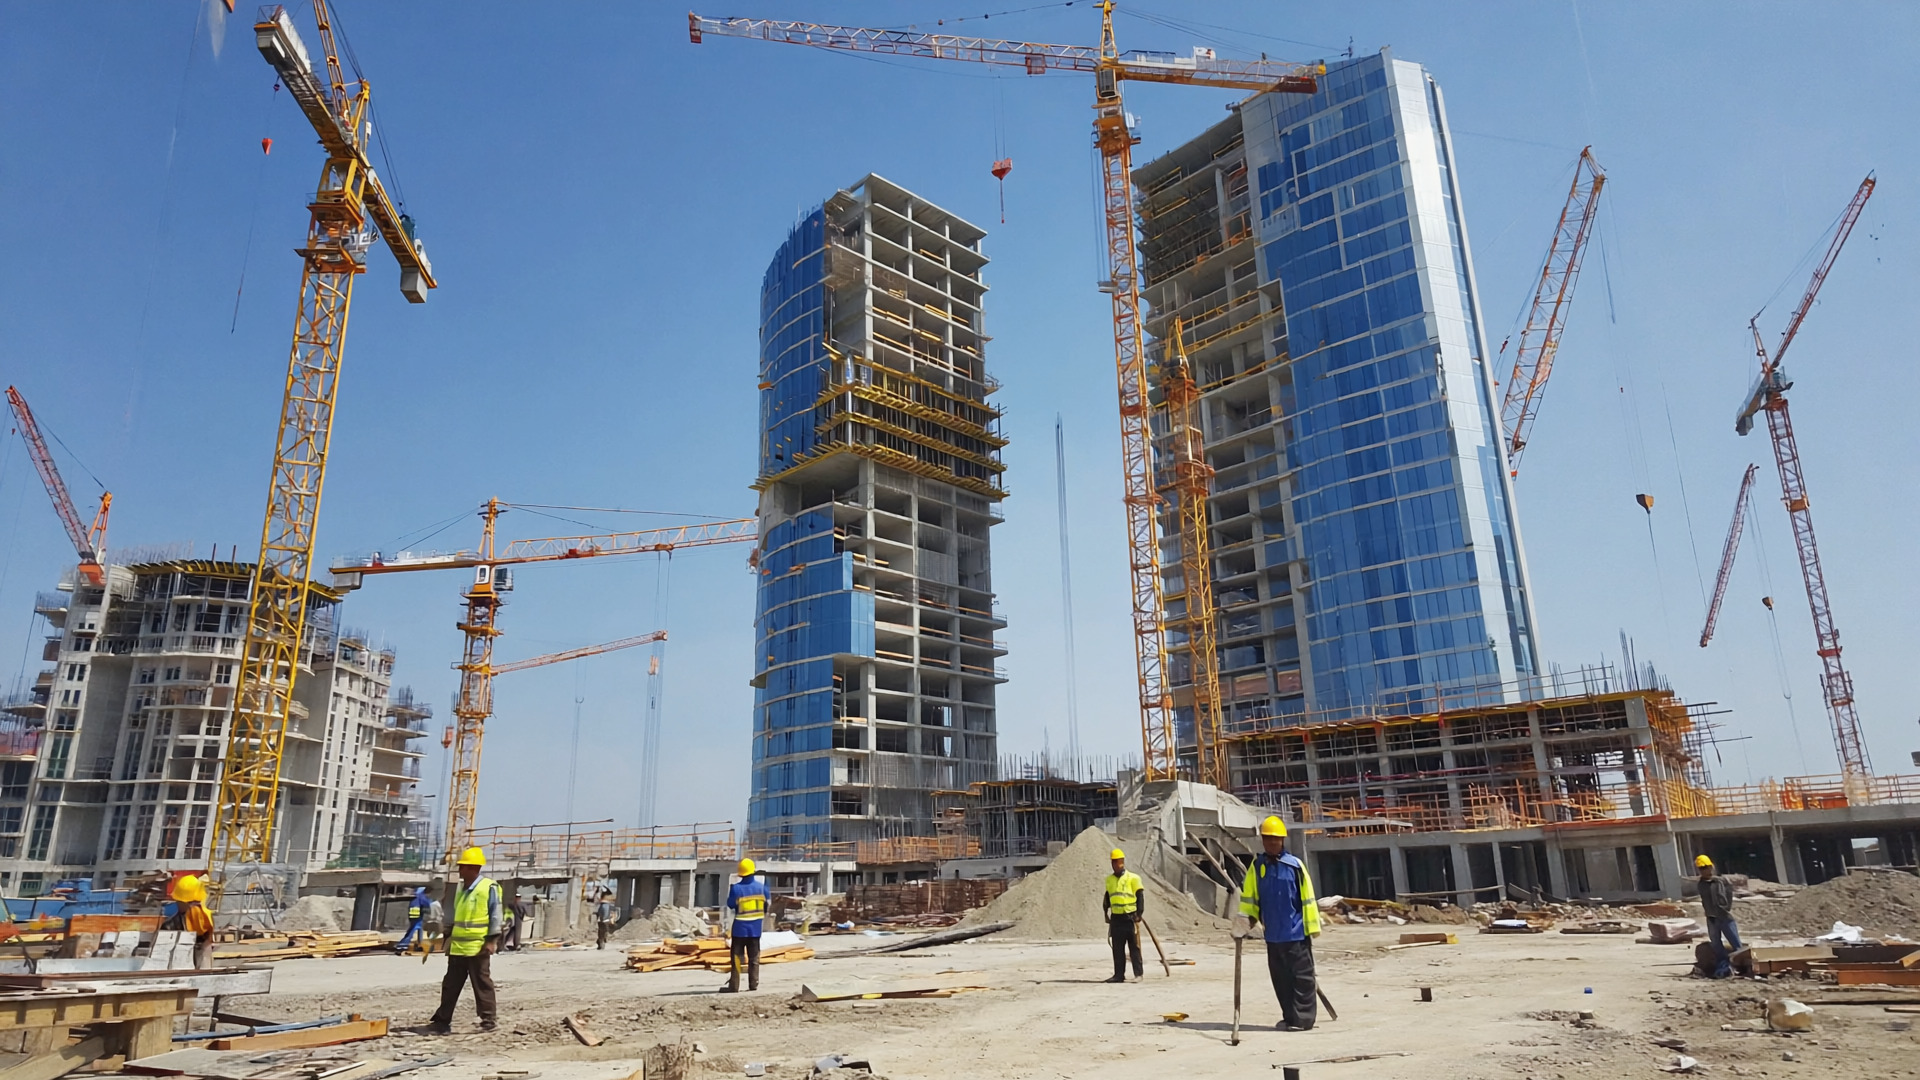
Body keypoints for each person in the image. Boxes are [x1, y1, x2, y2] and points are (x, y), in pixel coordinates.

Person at [1239, 815, 1321, 1031]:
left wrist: (1311, 928)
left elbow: (1308, 899)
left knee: (1301, 979)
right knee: (1281, 981)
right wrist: (1244, 922)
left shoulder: (1295, 866)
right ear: (1263, 841)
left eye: (1275, 839)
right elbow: (1250, 897)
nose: (1272, 843)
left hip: (1296, 934)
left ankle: (1304, 1020)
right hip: (1273, 935)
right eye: (1268, 839)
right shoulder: (1257, 867)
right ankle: (1289, 1017)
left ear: (1282, 840)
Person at [428, 847, 503, 1035]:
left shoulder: (489, 887)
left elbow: (496, 916)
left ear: (473, 868)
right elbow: (458, 917)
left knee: (482, 983)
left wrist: (491, 941)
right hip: (458, 946)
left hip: (478, 947)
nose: (460, 870)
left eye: (463, 867)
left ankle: (488, 1020)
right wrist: (447, 933)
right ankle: (442, 1021)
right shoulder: (462, 889)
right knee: (450, 985)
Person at [722, 858, 769, 993]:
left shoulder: (736, 889)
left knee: (736, 957)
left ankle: (734, 986)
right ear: (753, 871)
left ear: (741, 873)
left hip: (740, 930)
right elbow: (766, 907)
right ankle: (753, 984)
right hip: (755, 930)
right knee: (754, 957)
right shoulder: (762, 888)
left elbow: (731, 905)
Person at [1102, 848, 1145, 983]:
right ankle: (1119, 975)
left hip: (1130, 918)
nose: (1116, 864)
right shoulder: (1109, 880)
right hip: (1116, 919)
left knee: (1134, 948)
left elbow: (1140, 897)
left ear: (1123, 862)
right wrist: (1106, 912)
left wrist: (1139, 914)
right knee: (1117, 949)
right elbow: (1108, 897)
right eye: (1114, 862)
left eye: (1118, 862)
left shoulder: (1133, 878)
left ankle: (1138, 974)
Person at [1696, 855, 1741, 978]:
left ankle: (1742, 965)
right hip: (1711, 918)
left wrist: (1725, 909)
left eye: (1706, 867)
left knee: (1735, 942)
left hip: (1724, 916)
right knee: (1715, 943)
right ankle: (1723, 964)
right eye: (1702, 868)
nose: (1704, 870)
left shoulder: (1721, 881)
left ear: (1712, 866)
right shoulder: (1701, 884)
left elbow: (1729, 895)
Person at [169, 873, 216, 970]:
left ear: (184, 901)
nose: (177, 903)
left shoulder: (194, 913)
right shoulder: (206, 908)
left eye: (178, 901)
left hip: (199, 953)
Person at [397, 886, 429, 955]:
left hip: (414, 915)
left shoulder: (415, 895)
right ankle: (402, 945)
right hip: (417, 915)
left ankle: (419, 944)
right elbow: (425, 903)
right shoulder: (421, 895)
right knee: (413, 930)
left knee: (416, 929)